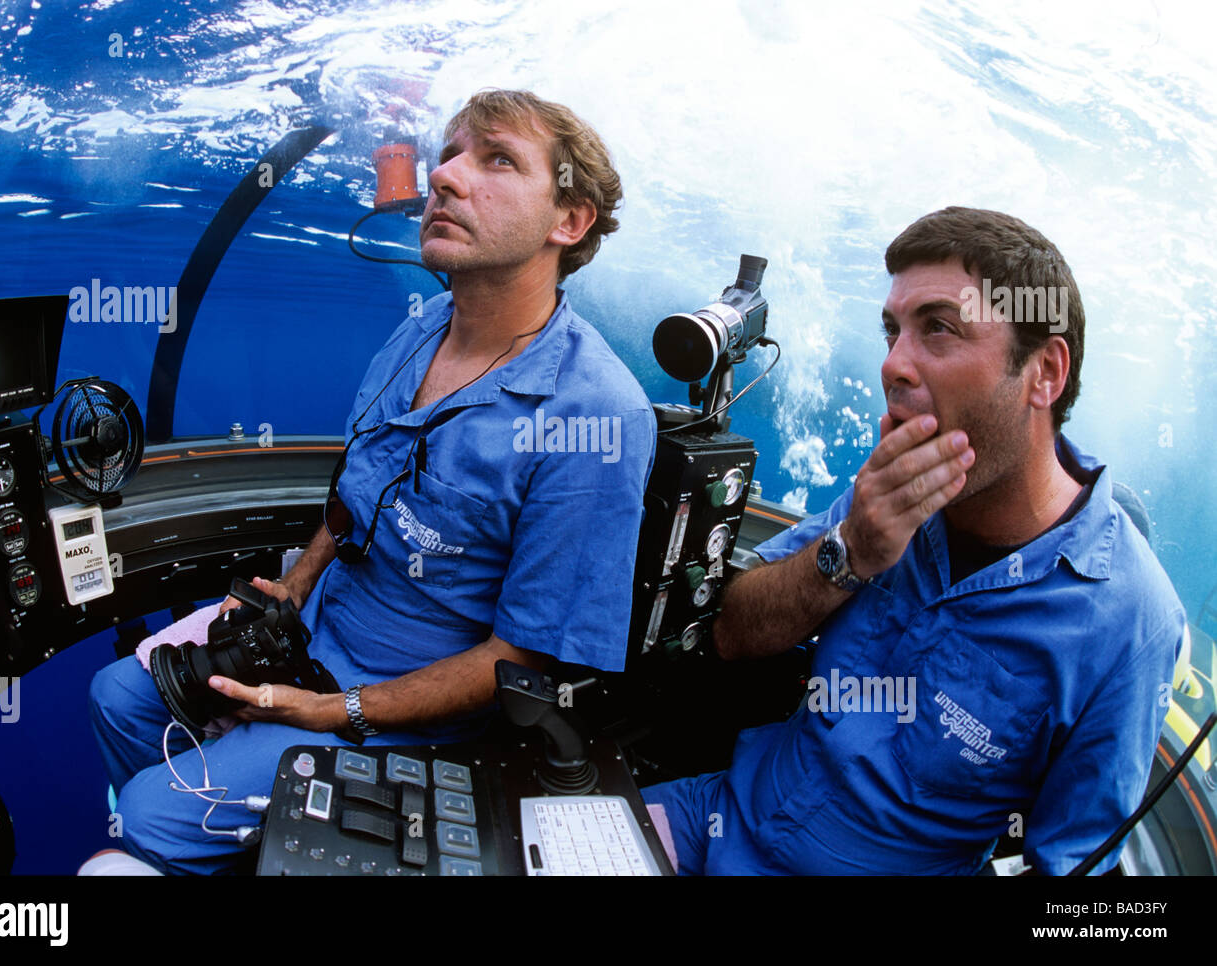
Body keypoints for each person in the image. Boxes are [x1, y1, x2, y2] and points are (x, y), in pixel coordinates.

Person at [89, 89, 657, 874]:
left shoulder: (598, 415)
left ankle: (200, 837)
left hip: (404, 714)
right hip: (310, 632)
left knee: (150, 816)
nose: (447, 177)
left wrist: (329, 713)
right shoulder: (418, 328)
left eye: (497, 159)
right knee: (115, 698)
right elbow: (360, 491)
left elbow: (520, 662)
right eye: (450, 153)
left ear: (571, 221)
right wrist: (293, 586)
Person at [642, 206, 1184, 875]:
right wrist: (850, 553)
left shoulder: (1129, 624)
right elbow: (729, 633)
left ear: (1044, 372)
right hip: (718, 818)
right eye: (892, 332)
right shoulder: (891, 489)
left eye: (939, 330)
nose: (894, 365)